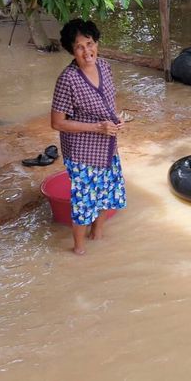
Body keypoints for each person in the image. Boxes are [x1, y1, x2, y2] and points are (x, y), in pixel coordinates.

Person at [50, 19, 126, 255]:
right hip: (82, 152)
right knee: (84, 204)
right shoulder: (68, 79)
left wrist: (117, 120)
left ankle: (98, 236)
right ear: (72, 51)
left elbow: (109, 103)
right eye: (79, 47)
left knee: (106, 195)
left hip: (107, 146)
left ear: (97, 44)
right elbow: (57, 123)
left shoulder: (104, 67)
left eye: (89, 43)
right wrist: (96, 127)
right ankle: (79, 251)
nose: (87, 51)